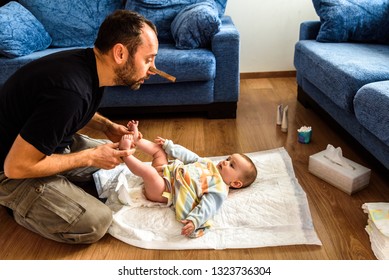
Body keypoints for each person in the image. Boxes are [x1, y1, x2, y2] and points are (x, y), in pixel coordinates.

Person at [0, 10, 159, 244]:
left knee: (117, 157)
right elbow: (16, 167)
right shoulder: (69, 92)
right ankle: (18, 206)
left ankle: (62, 183)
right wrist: (89, 157)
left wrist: (107, 126)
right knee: (96, 222)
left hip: (43, 142)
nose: (153, 69)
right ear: (120, 53)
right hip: (10, 168)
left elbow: (72, 106)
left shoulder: (88, 66)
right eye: (148, 59)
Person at [119, 121, 258, 238]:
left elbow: (208, 207)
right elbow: (190, 156)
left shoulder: (219, 188)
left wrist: (195, 220)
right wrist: (170, 147)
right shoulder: (209, 164)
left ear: (235, 183)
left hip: (164, 190)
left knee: (149, 172)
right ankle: (137, 139)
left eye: (232, 165)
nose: (225, 162)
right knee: (159, 151)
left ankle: (125, 155)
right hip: (167, 170)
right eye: (228, 159)